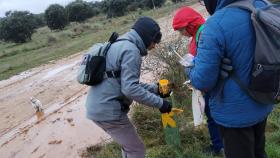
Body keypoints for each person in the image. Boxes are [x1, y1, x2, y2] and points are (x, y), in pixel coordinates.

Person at [185, 0, 274, 158]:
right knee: (259, 151)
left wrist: (190, 68)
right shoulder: (261, 4)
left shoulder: (215, 25)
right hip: (264, 98)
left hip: (234, 113)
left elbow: (202, 81)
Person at [85, 17, 172, 158]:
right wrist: (160, 103)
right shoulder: (132, 51)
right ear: (146, 37)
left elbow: (122, 82)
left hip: (97, 107)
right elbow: (130, 89)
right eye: (154, 41)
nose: (154, 46)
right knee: (137, 149)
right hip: (109, 111)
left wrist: (156, 89)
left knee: (129, 146)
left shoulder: (119, 44)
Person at [172, 6, 224, 155]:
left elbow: (206, 62)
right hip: (208, 83)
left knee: (213, 116)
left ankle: (219, 146)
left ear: (190, 24)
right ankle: (219, 144)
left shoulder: (203, 34)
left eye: (182, 30)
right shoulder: (198, 34)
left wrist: (190, 69)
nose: (182, 34)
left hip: (210, 85)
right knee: (212, 115)